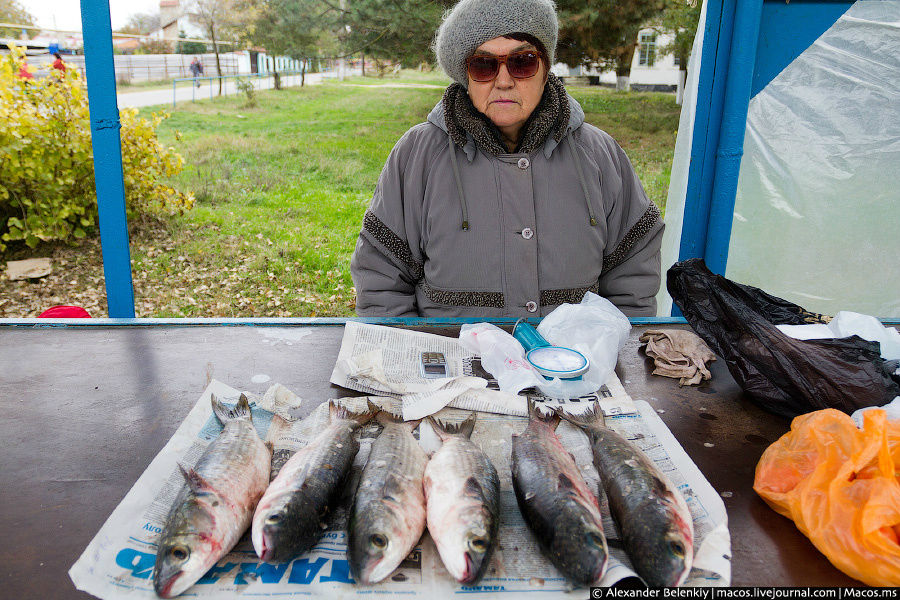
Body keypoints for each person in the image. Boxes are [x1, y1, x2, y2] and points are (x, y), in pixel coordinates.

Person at [350, 0, 664, 318]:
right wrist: (416, 356)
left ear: (545, 68)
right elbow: (382, 282)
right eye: (484, 65)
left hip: (569, 364)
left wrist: (608, 349)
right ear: (466, 74)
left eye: (522, 61)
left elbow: (632, 276)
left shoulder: (599, 154)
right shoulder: (417, 155)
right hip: (454, 363)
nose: (503, 81)